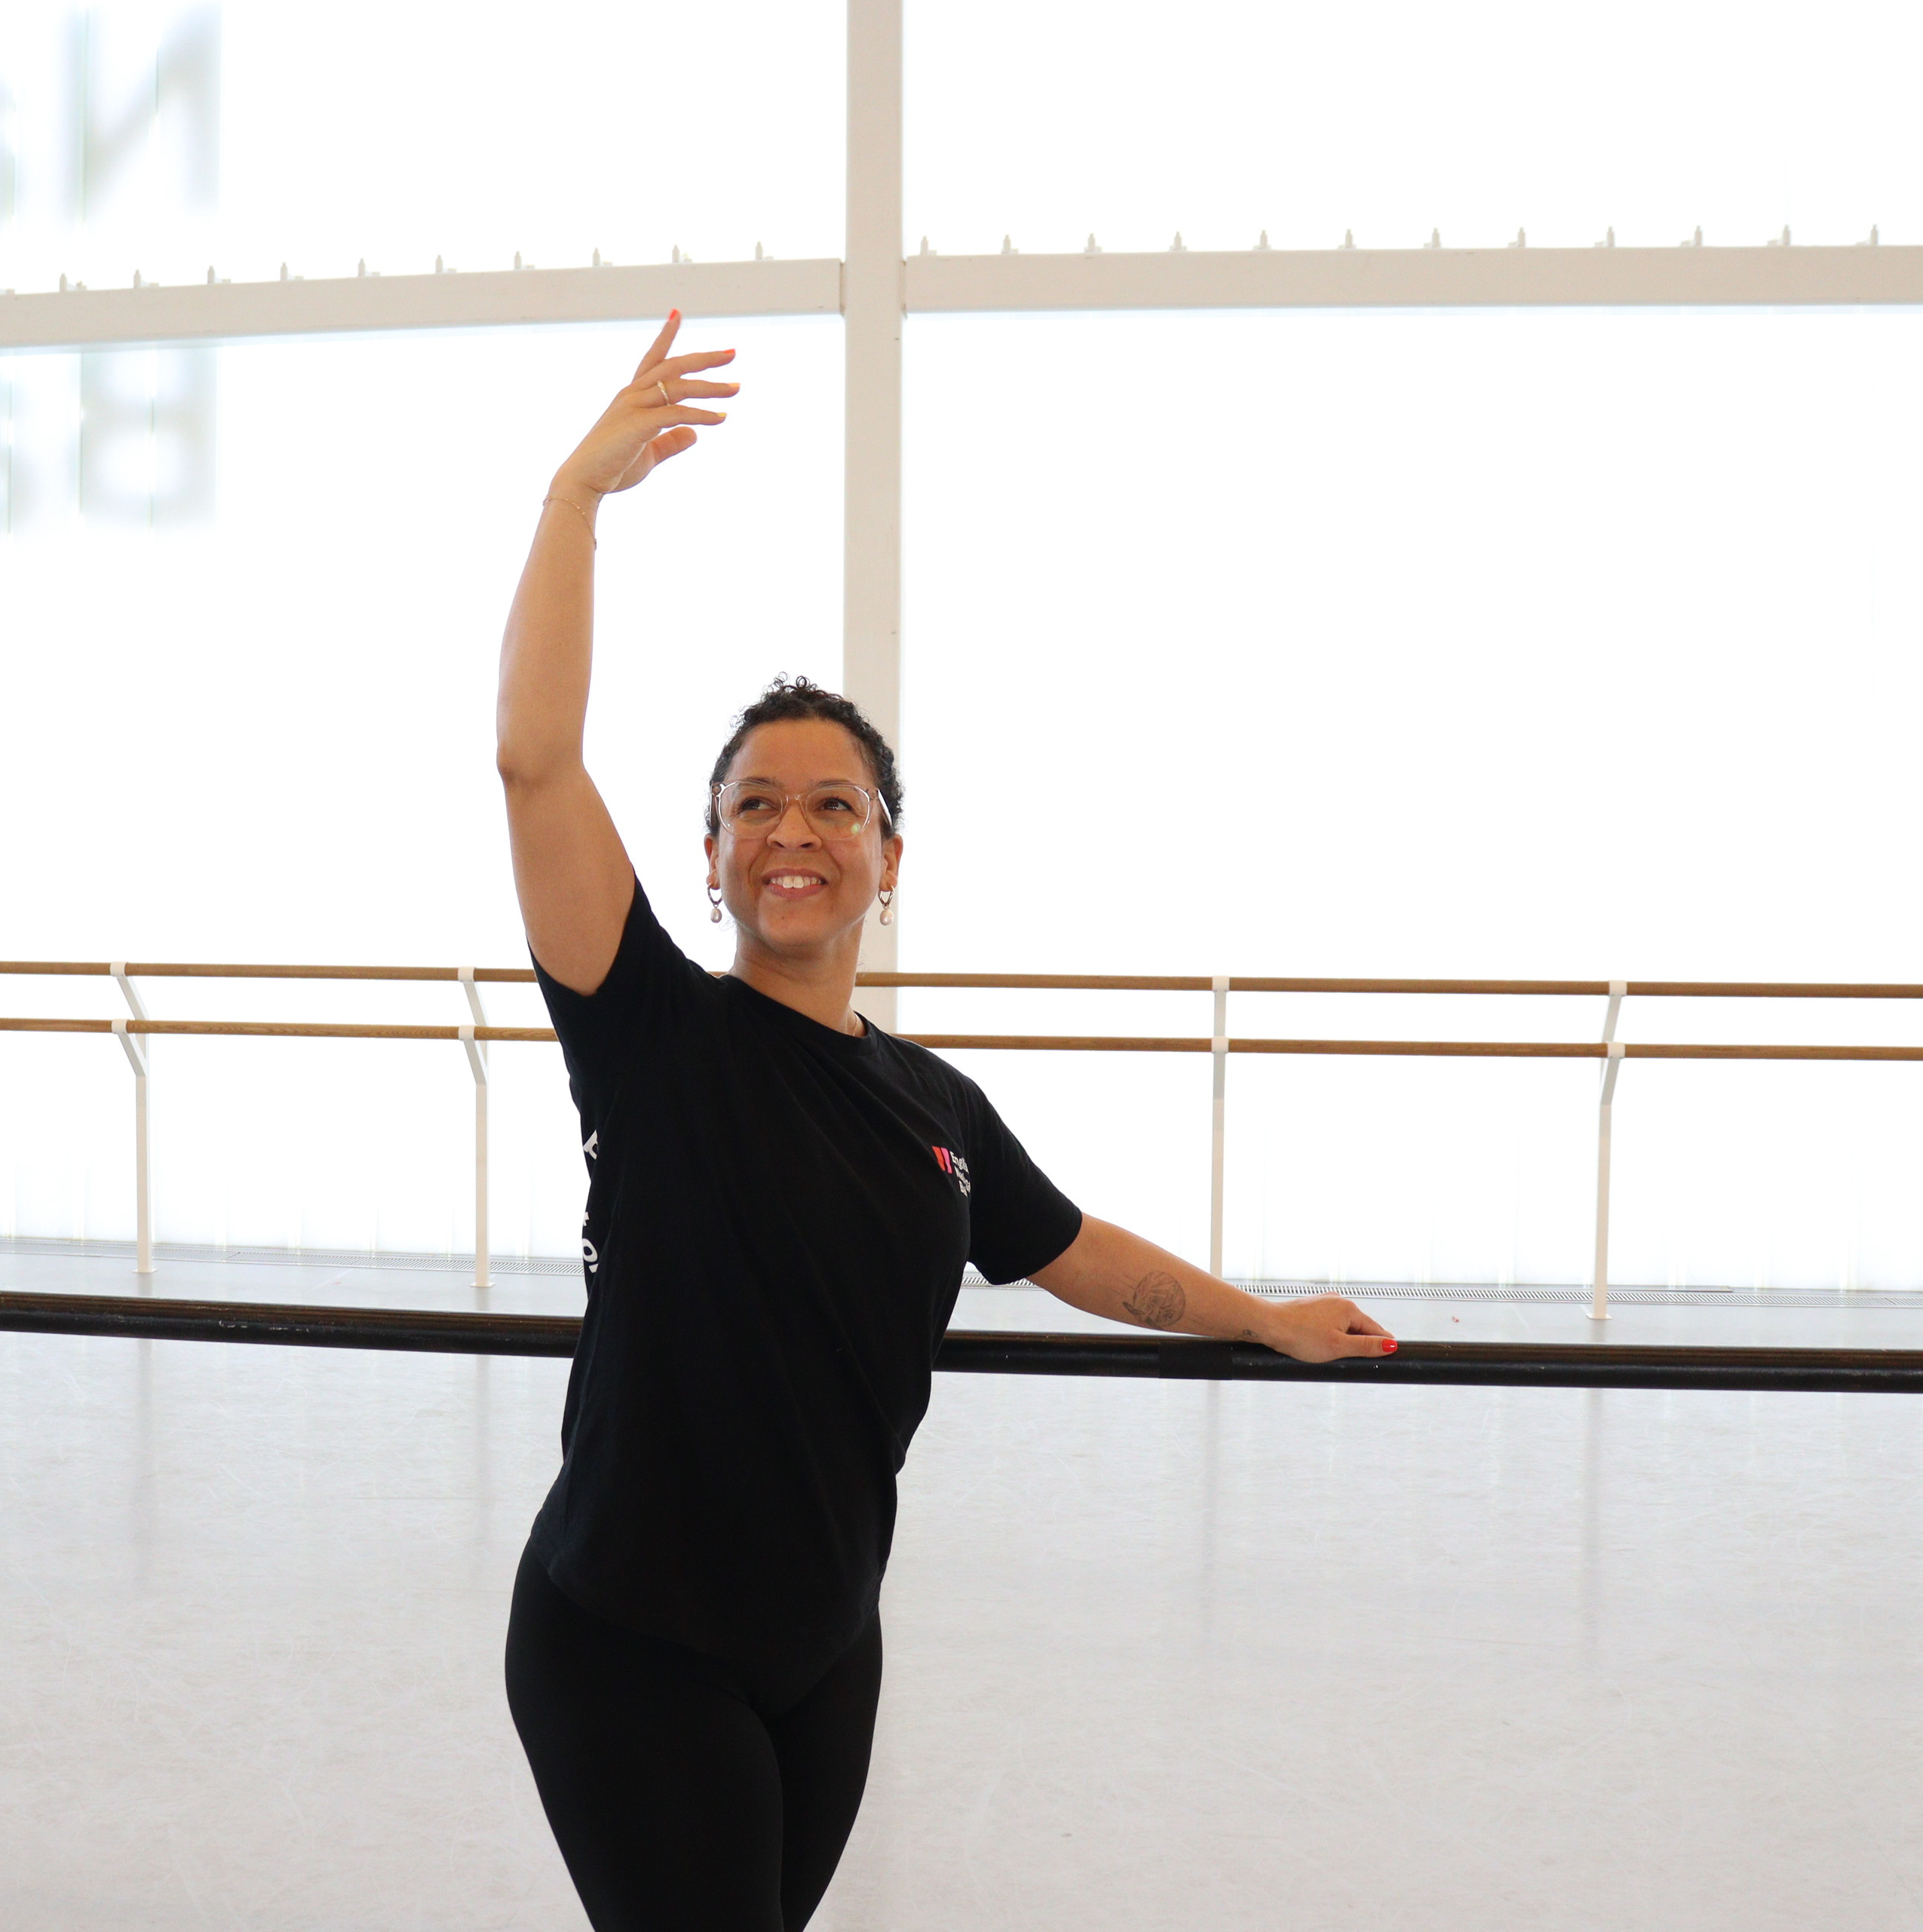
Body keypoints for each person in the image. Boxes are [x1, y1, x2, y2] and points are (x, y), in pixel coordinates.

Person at [495, 312, 1399, 1932]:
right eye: (753, 804)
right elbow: (534, 759)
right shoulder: (650, 1029)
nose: (792, 830)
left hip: (826, 1647)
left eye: (832, 803)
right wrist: (577, 499)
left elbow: (1077, 1253)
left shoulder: (938, 1107)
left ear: (889, 858)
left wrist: (1268, 1320)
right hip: (626, 1639)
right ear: (707, 857)